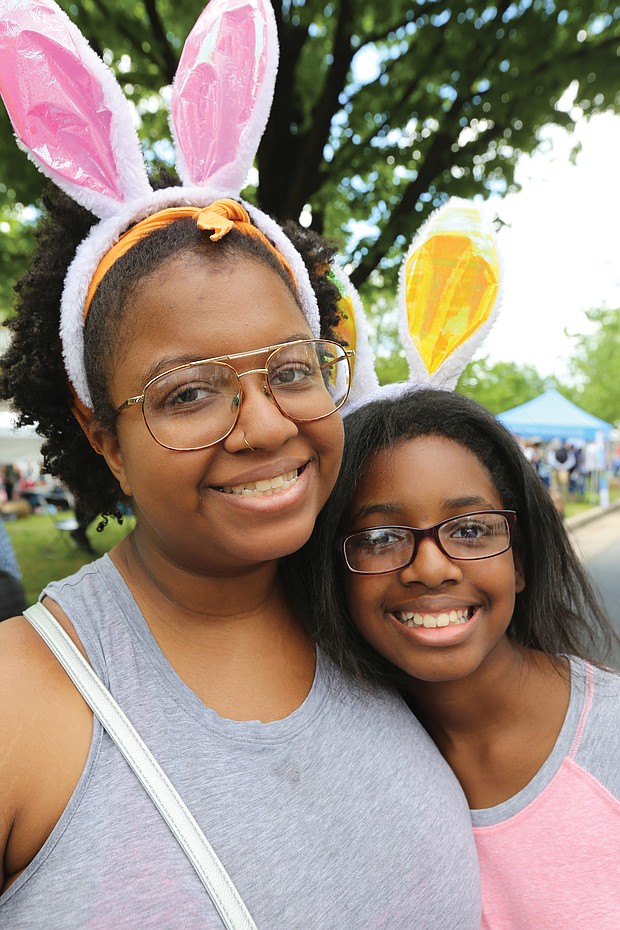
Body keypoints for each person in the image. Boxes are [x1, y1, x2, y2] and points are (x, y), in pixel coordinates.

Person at [0, 2, 480, 926]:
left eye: (292, 371)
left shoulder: (394, 614)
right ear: (102, 434)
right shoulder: (27, 701)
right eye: (189, 393)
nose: (265, 427)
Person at [296, 388, 620, 929]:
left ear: (520, 559)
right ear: (336, 577)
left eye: (470, 530)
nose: (429, 568)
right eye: (380, 537)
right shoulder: (344, 761)